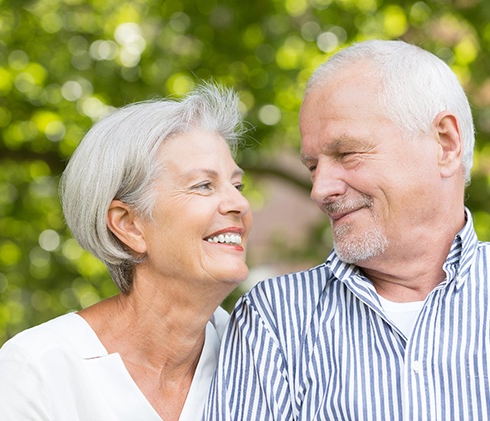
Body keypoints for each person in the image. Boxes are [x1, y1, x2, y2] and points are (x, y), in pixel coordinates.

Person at [204, 40, 490, 419]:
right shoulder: (275, 318)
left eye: (347, 154)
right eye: (312, 166)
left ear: (445, 144)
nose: (320, 190)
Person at [0, 82, 252, 421]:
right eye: (203, 186)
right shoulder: (39, 370)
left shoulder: (258, 352)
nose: (239, 203)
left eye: (237, 185)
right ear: (129, 225)